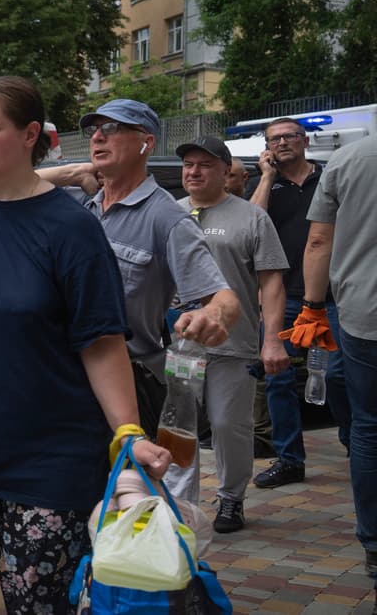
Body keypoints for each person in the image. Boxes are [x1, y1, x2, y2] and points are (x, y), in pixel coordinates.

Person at [0, 76, 172, 613]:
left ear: (30, 135)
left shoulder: (71, 228)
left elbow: (101, 343)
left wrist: (126, 431)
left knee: (37, 601)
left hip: (50, 455)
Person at [60, 100, 240, 448]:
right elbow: (2, 187)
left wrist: (212, 315)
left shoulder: (167, 218)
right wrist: (68, 172)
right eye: (94, 129)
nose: (97, 137)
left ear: (146, 142)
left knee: (119, 496)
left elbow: (224, 297)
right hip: (60, 379)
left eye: (112, 128)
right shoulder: (81, 203)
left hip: (119, 389)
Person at [165, 136, 290, 533]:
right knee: (177, 425)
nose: (194, 171)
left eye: (204, 164)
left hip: (232, 345)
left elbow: (271, 282)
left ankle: (231, 498)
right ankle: (179, 506)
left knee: (225, 425)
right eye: (188, 165)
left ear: (226, 171)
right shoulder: (169, 214)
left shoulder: (252, 217)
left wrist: (272, 339)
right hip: (177, 344)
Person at [292, 135, 377, 602]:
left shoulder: (346, 160)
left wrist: (312, 307)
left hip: (365, 313)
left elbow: (319, 239)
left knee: (368, 428)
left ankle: (375, 545)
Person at [247, 117, 349, 486]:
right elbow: (251, 224)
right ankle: (290, 459)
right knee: (278, 379)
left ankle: (355, 441)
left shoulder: (330, 177)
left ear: (304, 140)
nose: (282, 143)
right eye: (274, 139)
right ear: (267, 147)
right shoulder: (266, 187)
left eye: (289, 136)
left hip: (334, 296)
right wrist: (266, 177)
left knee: (340, 376)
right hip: (283, 297)